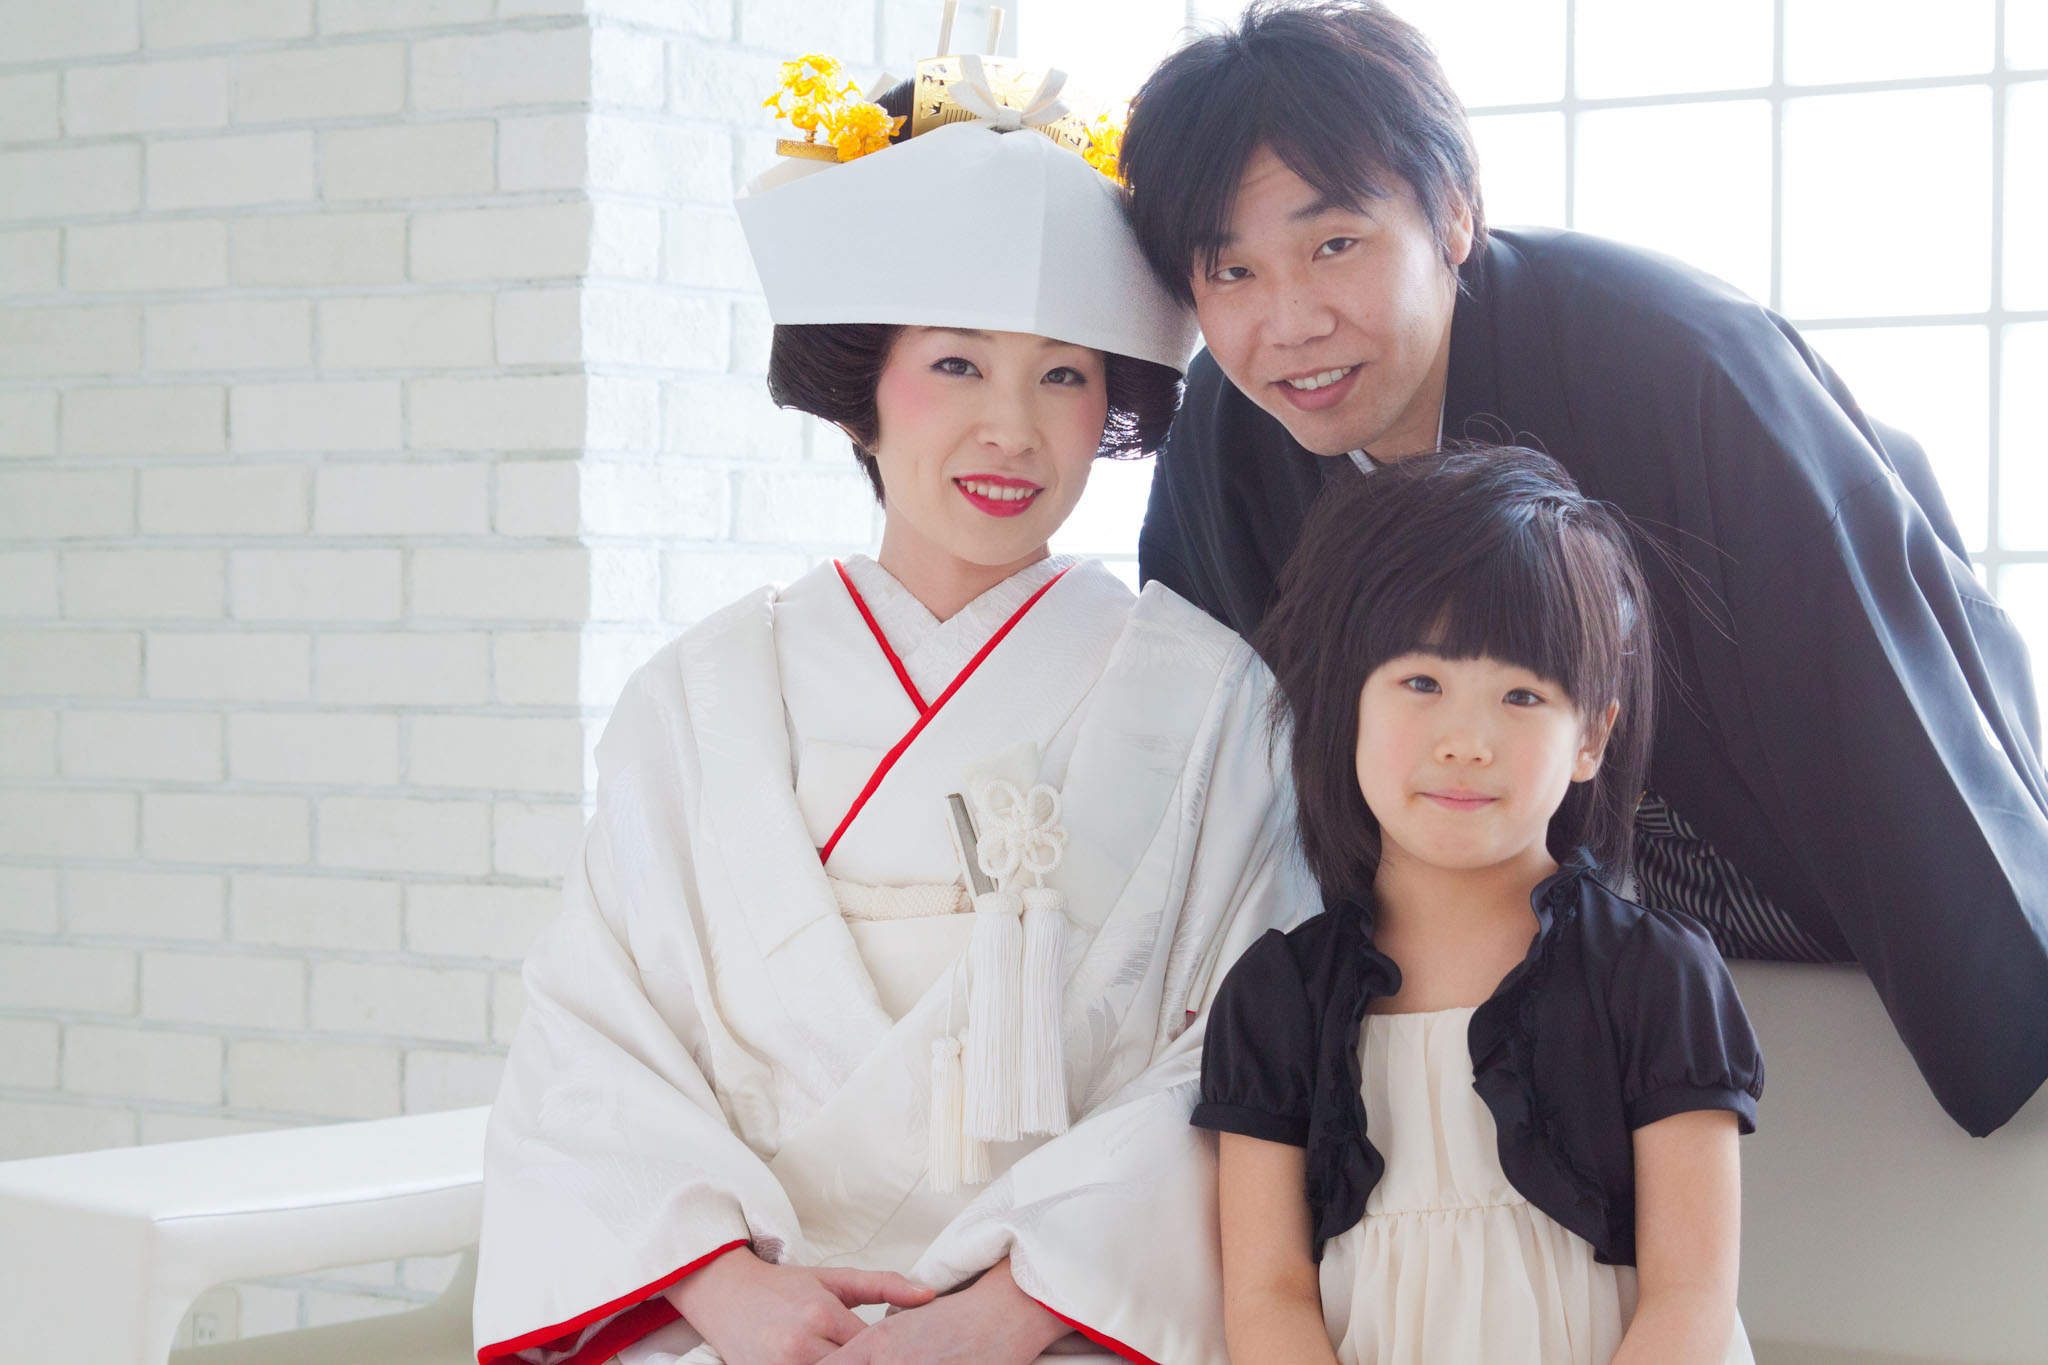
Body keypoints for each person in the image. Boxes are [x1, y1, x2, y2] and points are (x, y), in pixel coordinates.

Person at [472, 41, 1315, 1365]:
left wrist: (1005, 1311)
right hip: (744, 1315)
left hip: (1068, 1320)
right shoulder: (697, 698)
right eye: (956, 366)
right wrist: (726, 1289)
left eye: (1063, 374)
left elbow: (1242, 1056)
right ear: (860, 387)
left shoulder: (1213, 701)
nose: (1011, 430)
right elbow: (594, 1038)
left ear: (1112, 403)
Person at [1119, 0, 2048, 1137]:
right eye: (1231, 272)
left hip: (1758, 840)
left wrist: (1998, 1007)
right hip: (1495, 902)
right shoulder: (1225, 440)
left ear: (1453, 211)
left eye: (1334, 246)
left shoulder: (1671, 357)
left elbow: (1863, 667)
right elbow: (1203, 751)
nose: (1289, 322)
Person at [1195, 446, 1761, 1364]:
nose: (1466, 740)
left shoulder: (1657, 974)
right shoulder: (1278, 995)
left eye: (1522, 694)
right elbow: (1267, 1297)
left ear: (1593, 736)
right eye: (1422, 682)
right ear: (1346, 701)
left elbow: (1690, 1295)